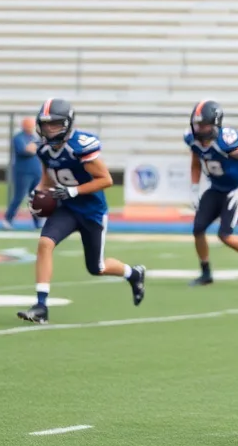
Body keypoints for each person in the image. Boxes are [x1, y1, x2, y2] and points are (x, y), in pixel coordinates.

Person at [17, 98, 145, 324]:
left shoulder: (80, 146)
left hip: (91, 211)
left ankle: (133, 274)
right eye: (45, 124)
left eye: (54, 124)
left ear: (67, 124)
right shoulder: (45, 149)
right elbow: (47, 178)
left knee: (97, 267)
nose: (49, 129)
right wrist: (37, 192)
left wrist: (73, 191)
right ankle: (41, 306)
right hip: (66, 207)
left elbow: (106, 179)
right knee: (45, 243)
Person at [184, 100, 238, 286]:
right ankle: (205, 273)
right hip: (216, 188)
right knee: (198, 229)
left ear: (215, 123)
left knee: (225, 235)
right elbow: (196, 163)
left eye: (203, 124)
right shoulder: (192, 139)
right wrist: (195, 187)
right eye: (197, 124)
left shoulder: (227, 141)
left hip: (237, 189)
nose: (199, 128)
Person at [3, 117, 42, 230]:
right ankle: (8, 219)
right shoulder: (19, 138)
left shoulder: (34, 137)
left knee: (35, 198)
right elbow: (25, 151)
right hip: (23, 172)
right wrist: (33, 148)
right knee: (19, 197)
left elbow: (39, 148)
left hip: (36, 172)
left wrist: (33, 147)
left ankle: (37, 221)